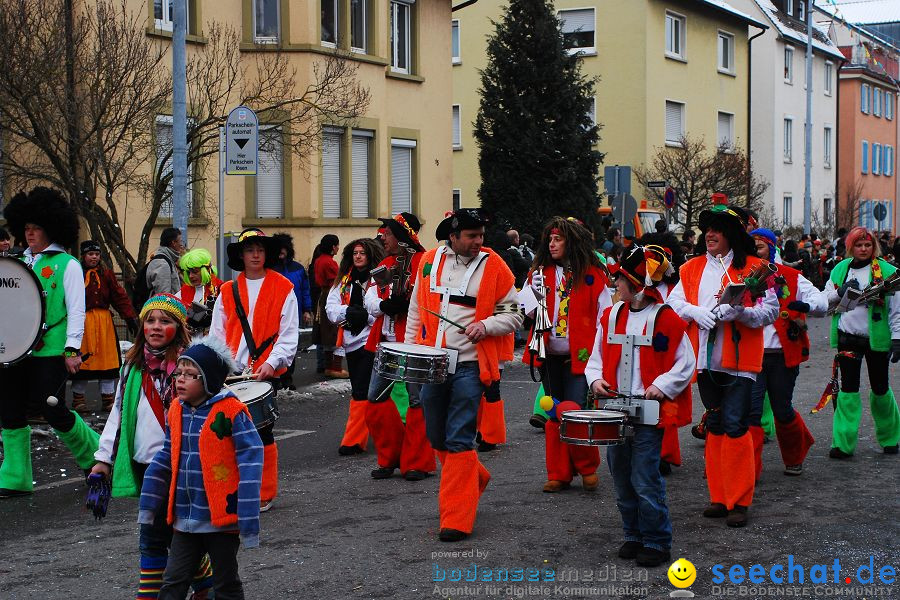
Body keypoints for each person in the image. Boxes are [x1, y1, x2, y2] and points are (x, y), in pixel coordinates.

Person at [406, 208, 522, 541]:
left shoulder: (495, 265)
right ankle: (474, 477)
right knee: (437, 437)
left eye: (481, 236)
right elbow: (417, 310)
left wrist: (485, 325)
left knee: (459, 438)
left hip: (471, 365)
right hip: (433, 362)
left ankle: (456, 519)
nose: (478, 242)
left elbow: (514, 315)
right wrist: (414, 352)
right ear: (453, 237)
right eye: (471, 236)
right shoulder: (429, 261)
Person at [90, 294, 213, 598]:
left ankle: (177, 591)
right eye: (150, 320)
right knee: (162, 532)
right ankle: (205, 586)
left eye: (166, 320)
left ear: (179, 327)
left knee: (168, 534)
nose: (156, 327)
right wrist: (103, 459)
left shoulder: (192, 365)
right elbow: (118, 413)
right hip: (146, 466)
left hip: (182, 465)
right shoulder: (132, 368)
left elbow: (211, 413)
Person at [667, 202, 778, 528]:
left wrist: (742, 313)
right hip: (704, 359)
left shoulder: (756, 268)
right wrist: (694, 312)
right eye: (707, 230)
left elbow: (770, 311)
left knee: (735, 423)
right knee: (714, 424)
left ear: (731, 234)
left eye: (717, 229)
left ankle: (740, 500)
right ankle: (719, 496)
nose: (710, 234)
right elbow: (674, 302)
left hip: (740, 362)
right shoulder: (691, 268)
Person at [584, 244, 695, 567]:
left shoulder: (667, 319)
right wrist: (595, 381)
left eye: (619, 279)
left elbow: (684, 363)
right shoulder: (611, 315)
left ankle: (657, 540)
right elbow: (596, 358)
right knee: (619, 474)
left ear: (636, 284)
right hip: (614, 410)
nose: (614, 284)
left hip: (649, 413)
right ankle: (633, 534)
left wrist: (661, 385)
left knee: (645, 478)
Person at [138, 336, 263, 599]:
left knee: (226, 583)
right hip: (185, 518)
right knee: (173, 583)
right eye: (179, 373)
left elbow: (251, 461)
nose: (180, 379)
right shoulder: (176, 410)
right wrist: (149, 504)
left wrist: (248, 516)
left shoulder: (231, 412)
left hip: (221, 521)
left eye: (191, 375)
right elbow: (165, 459)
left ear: (209, 380)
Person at [0, 187, 98, 498]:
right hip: (16, 348)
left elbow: (76, 310)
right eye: (26, 229)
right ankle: (14, 475)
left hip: (52, 347)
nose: (29, 234)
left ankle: (95, 455)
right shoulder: (15, 262)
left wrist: (72, 348)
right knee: (10, 410)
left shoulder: (67, 264)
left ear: (50, 228)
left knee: (53, 410)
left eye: (36, 228)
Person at [210, 228, 299, 512]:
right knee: (227, 434)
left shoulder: (284, 288)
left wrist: (271, 363)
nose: (256, 254)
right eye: (250, 250)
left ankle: (264, 492)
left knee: (262, 433)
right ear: (242, 255)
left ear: (267, 253)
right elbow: (217, 335)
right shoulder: (226, 290)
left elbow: (288, 336)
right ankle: (230, 489)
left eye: (260, 249)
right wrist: (220, 367)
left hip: (264, 374)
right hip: (232, 375)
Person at [525, 216, 612, 493]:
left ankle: (587, 468)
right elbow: (528, 313)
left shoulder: (593, 275)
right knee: (553, 412)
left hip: (582, 360)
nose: (552, 244)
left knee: (575, 413)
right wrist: (532, 299)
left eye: (558, 239)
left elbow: (604, 317)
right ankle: (559, 472)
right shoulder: (538, 273)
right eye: (549, 239)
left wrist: (600, 358)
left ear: (571, 241)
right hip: (548, 355)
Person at [363, 212, 435, 481]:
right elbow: (370, 297)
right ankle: (390, 456)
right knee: (375, 398)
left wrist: (409, 305)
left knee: (417, 401)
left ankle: (417, 462)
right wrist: (383, 305)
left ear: (403, 235)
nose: (384, 237)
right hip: (387, 342)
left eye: (389, 233)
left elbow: (430, 297)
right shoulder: (385, 264)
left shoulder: (424, 262)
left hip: (414, 341)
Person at [748, 229, 825, 477]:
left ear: (771, 248)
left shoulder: (791, 276)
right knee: (752, 412)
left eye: (759, 246)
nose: (754, 251)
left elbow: (820, 301)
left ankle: (795, 455)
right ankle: (749, 468)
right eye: (750, 247)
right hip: (751, 355)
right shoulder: (740, 276)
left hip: (782, 355)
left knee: (782, 410)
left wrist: (807, 305)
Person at [824, 227, 900, 458]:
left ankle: (890, 437)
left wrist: (897, 338)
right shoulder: (840, 269)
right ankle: (843, 443)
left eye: (868, 245)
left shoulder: (888, 271)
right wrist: (840, 292)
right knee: (848, 389)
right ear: (851, 247)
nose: (864, 249)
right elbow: (825, 301)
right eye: (859, 245)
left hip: (876, 340)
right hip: (848, 337)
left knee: (880, 388)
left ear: (874, 246)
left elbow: (896, 310)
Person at [325, 238, 385, 455]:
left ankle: (356, 439)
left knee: (369, 391)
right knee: (361, 390)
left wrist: (366, 317)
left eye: (362, 253)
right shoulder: (343, 280)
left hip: (373, 340)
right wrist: (348, 312)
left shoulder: (378, 278)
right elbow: (331, 308)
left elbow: (382, 308)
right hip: (351, 340)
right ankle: (363, 437)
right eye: (355, 253)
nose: (358, 256)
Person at [70, 240, 139, 413]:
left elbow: (119, 297)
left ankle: (108, 399)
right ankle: (78, 399)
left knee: (107, 360)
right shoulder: (75, 273)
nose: (94, 257)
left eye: (96, 254)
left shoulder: (106, 275)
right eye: (90, 254)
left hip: (104, 323)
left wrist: (130, 317)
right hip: (83, 321)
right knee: (83, 361)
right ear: (83, 256)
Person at [272, 233, 314, 390]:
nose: (281, 252)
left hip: (293, 315)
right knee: (274, 347)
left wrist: (306, 310)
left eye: (284, 249)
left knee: (290, 347)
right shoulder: (270, 269)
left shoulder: (297, 269)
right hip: (273, 315)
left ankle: (287, 378)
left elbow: (305, 290)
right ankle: (276, 377)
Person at [311, 234, 346, 377]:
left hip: (323, 296)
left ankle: (327, 366)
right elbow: (336, 282)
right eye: (337, 245)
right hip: (331, 295)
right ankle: (335, 367)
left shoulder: (319, 260)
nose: (338, 248)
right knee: (336, 331)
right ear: (333, 247)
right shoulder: (329, 263)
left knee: (325, 332)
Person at [177, 248, 223, 335]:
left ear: (206, 269)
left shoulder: (221, 288)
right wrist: (181, 328)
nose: (191, 276)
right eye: (188, 272)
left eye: (195, 272)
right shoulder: (185, 290)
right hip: (189, 343)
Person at [146, 227, 184, 297]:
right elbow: (163, 297)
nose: (181, 245)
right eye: (180, 241)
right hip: (166, 306)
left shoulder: (168, 260)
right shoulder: (162, 263)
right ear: (173, 243)